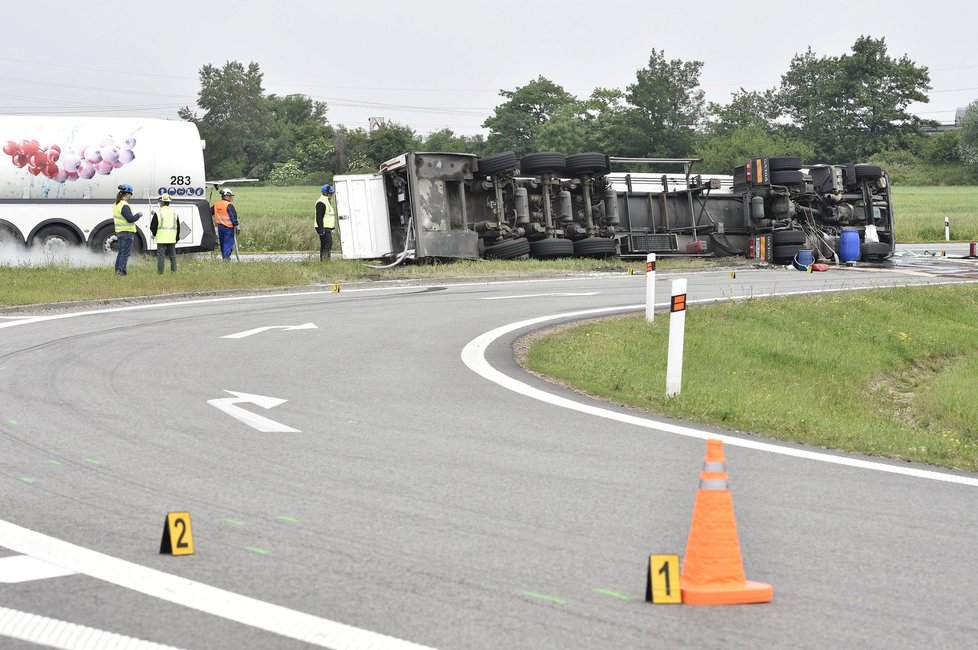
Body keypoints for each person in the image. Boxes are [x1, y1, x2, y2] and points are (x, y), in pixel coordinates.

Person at [112, 183, 142, 276]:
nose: (131, 196)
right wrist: (138, 215)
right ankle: (121, 272)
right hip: (127, 233)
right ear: (127, 194)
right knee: (125, 253)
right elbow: (130, 219)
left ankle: (117, 271)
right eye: (131, 194)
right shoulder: (124, 205)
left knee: (121, 253)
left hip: (120, 231)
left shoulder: (117, 204)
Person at [150, 194, 180, 273]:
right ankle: (174, 272)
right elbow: (178, 227)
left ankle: (160, 273)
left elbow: (152, 226)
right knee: (173, 257)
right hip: (172, 238)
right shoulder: (174, 213)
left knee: (161, 257)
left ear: (162, 202)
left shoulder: (158, 213)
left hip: (161, 239)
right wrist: (177, 238)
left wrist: (155, 234)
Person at [211, 189, 239, 260]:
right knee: (228, 244)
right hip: (228, 228)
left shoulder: (216, 204)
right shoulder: (229, 205)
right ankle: (226, 259)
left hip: (220, 228)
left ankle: (224, 258)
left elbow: (210, 212)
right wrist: (237, 226)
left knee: (223, 244)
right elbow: (233, 217)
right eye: (230, 196)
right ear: (227, 196)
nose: (231, 198)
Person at [315, 184, 337, 260]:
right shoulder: (321, 202)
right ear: (326, 193)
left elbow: (329, 216)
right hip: (323, 227)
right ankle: (325, 260)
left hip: (327, 227)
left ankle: (324, 260)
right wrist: (321, 229)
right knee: (328, 243)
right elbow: (319, 217)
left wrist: (333, 228)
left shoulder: (327, 201)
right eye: (330, 193)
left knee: (325, 244)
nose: (332, 195)